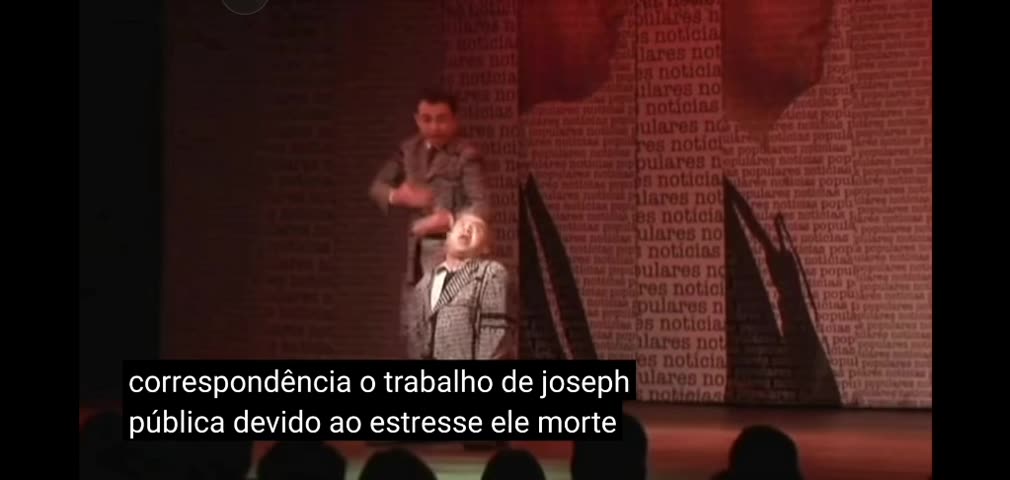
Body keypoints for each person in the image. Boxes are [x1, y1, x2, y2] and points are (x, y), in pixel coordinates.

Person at [368, 88, 490, 287]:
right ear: (417, 120)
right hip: (413, 258)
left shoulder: (466, 155)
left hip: (452, 256)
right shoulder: (408, 150)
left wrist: (449, 219)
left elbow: (481, 206)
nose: (434, 127)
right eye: (427, 119)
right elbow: (377, 187)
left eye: (441, 119)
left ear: (454, 120)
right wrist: (398, 195)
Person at [408, 210, 515, 360]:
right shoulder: (424, 284)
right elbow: (415, 337)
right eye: (461, 224)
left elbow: (496, 337)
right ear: (447, 237)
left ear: (485, 248)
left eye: (476, 228)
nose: (467, 229)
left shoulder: (491, 274)